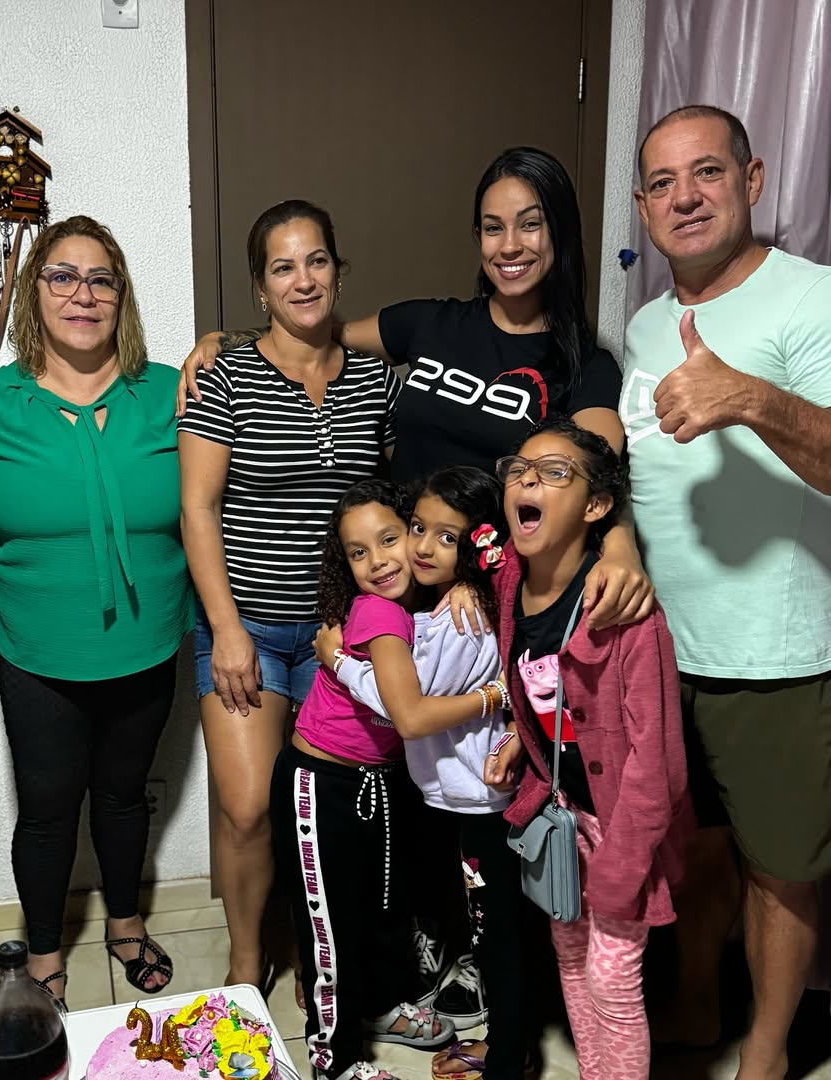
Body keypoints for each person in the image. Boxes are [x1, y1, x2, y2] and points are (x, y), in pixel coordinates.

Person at [179, 148, 654, 1011]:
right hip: (338, 613)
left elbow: (594, 472)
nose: (510, 242)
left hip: (460, 619)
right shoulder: (424, 325)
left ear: (562, 234)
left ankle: (446, 964)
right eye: (492, 224)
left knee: (436, 802)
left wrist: (617, 544)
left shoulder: (582, 361)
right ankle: (275, 959)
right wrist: (221, 342)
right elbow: (311, 331)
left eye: (531, 221)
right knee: (265, 801)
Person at [620, 104, 831, 1080]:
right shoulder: (644, 323)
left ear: (751, 182)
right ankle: (699, 1006)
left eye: (706, 173)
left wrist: (747, 395)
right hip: (660, 647)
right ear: (641, 206)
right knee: (695, 848)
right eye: (662, 183)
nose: (684, 197)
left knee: (780, 868)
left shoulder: (811, 297)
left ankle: (768, 1058)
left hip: (772, 655)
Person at [0, 215, 192, 1004]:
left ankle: (125, 925)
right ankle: (48, 954)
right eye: (62, 276)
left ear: (121, 296)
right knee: (49, 809)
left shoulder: (170, 391)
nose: (82, 294)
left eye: (101, 279)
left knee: (127, 795)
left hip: (151, 639)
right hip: (37, 649)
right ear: (35, 292)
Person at [178, 200, 400, 991]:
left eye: (316, 261)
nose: (302, 279)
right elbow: (197, 508)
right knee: (247, 808)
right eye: (282, 266)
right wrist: (226, 627)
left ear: (338, 271)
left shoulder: (376, 378)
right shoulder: (224, 373)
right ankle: (246, 959)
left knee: (341, 812)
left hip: (343, 637)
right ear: (259, 287)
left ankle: (325, 954)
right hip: (248, 631)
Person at [487, 419, 693, 1080]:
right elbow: (535, 695)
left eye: (554, 472)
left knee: (613, 987)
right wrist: (523, 749)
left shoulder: (626, 613)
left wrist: (620, 867)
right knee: (570, 961)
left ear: (598, 507)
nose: (528, 479)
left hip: (622, 831)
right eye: (520, 468)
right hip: (560, 820)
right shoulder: (510, 582)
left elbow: (655, 766)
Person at [313, 466, 527, 1080]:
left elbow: (403, 705)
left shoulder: (462, 617)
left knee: (499, 937)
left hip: (485, 801)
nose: (424, 548)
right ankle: (503, 1044)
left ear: (480, 545)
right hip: (468, 796)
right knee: (488, 929)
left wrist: (339, 663)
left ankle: (509, 1059)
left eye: (448, 537)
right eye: (418, 529)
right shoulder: (451, 602)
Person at [271, 478, 479, 1080]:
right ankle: (332, 1061)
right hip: (321, 785)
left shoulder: (424, 602)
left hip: (376, 781)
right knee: (330, 927)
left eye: (389, 538)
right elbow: (406, 714)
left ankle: (384, 1006)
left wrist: (465, 579)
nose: (378, 560)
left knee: (383, 905)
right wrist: (492, 700)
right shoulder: (380, 613)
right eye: (357, 552)